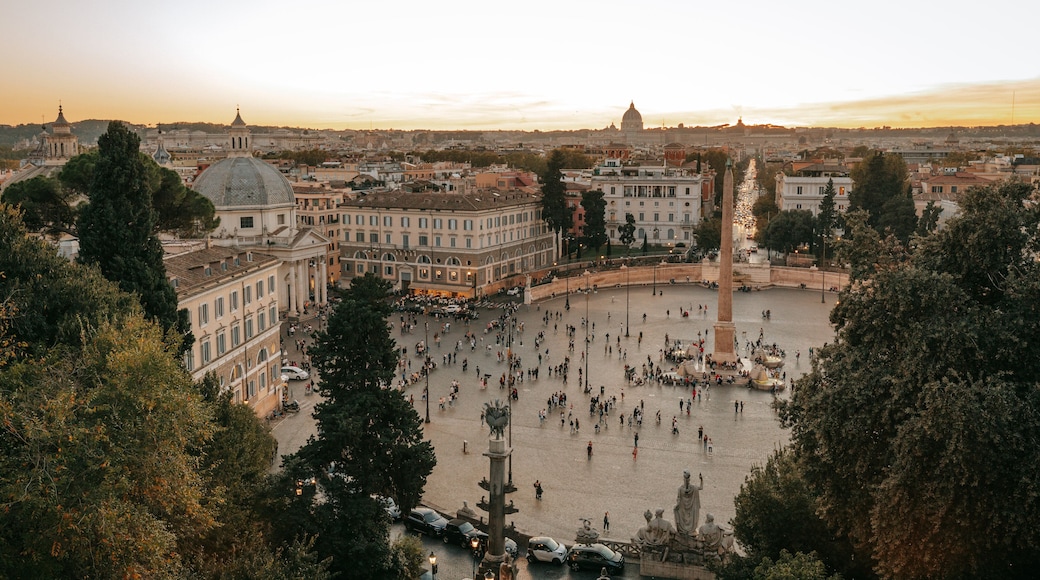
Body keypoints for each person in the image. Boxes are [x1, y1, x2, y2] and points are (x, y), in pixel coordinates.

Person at [674, 470, 704, 536]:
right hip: (690, 509)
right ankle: (691, 530)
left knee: (681, 515)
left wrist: (676, 507)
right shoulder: (693, 488)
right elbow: (701, 487)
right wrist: (701, 479)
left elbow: (678, 500)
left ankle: (682, 529)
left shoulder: (680, 489)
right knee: (690, 517)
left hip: (683, 508)